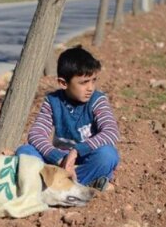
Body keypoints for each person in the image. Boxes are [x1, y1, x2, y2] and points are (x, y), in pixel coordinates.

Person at [16, 46, 120, 191]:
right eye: (84, 82)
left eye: (93, 80)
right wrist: (58, 158)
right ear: (63, 83)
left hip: (85, 159)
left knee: (107, 155)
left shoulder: (97, 100)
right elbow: (36, 134)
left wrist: (77, 150)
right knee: (25, 151)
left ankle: (53, 185)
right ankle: (83, 183)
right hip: (58, 161)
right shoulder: (53, 101)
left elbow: (111, 132)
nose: (90, 87)